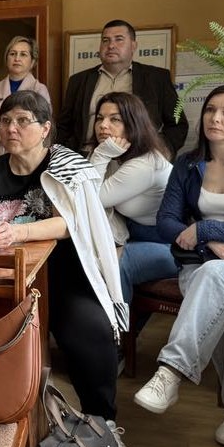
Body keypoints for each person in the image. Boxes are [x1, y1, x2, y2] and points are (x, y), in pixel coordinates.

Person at [0, 90, 137, 447]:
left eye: (22, 121)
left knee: (91, 330)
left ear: (45, 128)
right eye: (5, 121)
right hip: (6, 278)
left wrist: (18, 232)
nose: (11, 129)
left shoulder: (63, 165)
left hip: (64, 274)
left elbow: (70, 221)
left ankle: (103, 424)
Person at [133, 84, 224, 447]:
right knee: (220, 303)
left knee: (215, 277)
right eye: (211, 109)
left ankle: (171, 371)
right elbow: (166, 221)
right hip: (198, 266)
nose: (215, 118)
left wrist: (204, 228)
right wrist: (209, 242)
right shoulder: (187, 164)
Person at [90, 91, 177, 303]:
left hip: (173, 247)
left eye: (115, 119)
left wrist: (100, 154)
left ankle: (116, 323)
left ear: (133, 124)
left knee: (113, 263)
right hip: (138, 234)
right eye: (100, 118)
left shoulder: (144, 164)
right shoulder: (114, 153)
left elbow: (91, 199)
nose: (103, 125)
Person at [57, 20, 187, 159]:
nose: (111, 45)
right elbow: (64, 126)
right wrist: (63, 157)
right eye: (105, 40)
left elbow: (177, 124)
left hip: (138, 158)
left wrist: (161, 153)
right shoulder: (78, 80)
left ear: (133, 46)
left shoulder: (157, 78)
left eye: (119, 39)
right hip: (86, 157)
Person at [0, 36, 51, 161]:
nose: (17, 58)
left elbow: (42, 127)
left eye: (23, 54)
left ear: (33, 62)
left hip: (27, 158)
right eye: (12, 54)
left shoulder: (39, 90)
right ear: (6, 59)